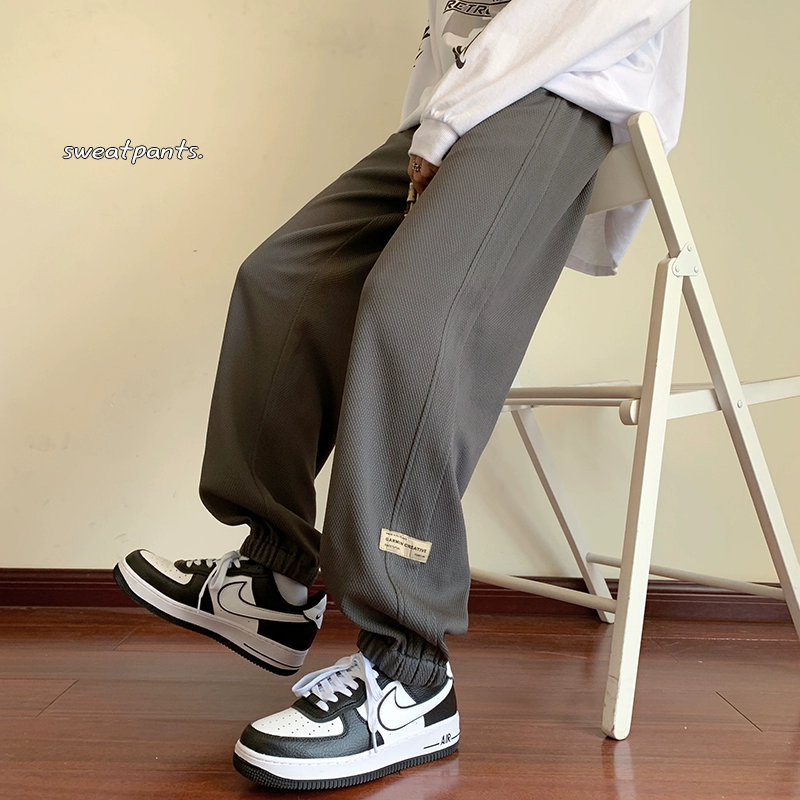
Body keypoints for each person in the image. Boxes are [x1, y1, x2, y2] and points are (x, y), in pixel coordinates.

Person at [114, 0, 690, 790]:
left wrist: (447, 121)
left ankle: (411, 676)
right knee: (283, 283)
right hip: (458, 103)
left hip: (559, 85)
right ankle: (274, 580)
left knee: (410, 312)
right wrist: (433, 120)